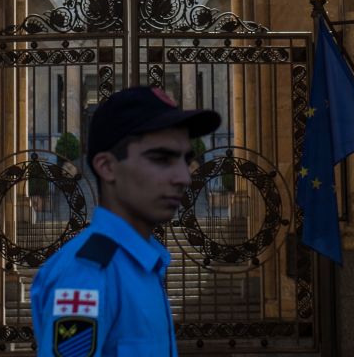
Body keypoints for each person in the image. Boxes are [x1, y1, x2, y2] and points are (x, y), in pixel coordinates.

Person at [30, 86, 221, 357]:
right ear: (107, 167)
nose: (184, 177)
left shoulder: (144, 262)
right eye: (161, 159)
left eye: (184, 159)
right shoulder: (87, 275)